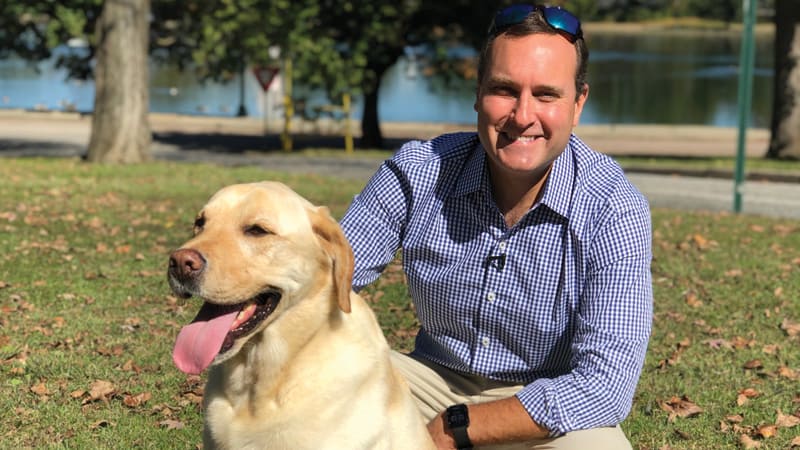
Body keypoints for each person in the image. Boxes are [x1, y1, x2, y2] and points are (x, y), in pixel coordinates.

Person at [340, 4, 652, 449]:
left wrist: (457, 430)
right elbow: (326, 277)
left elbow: (604, 386)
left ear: (578, 103)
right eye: (504, 90)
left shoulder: (612, 207)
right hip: (426, 382)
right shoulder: (420, 172)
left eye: (547, 95)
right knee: (314, 393)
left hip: (544, 404)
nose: (523, 115)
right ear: (478, 92)